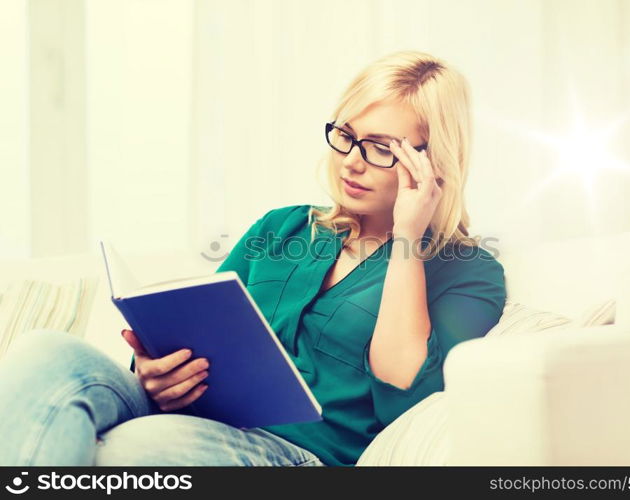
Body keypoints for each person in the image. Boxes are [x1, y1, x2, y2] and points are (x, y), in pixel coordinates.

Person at [0, 50, 506, 467]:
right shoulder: (281, 227)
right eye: (347, 136)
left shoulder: (468, 271)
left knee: (137, 447)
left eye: (380, 148)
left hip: (297, 453)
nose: (351, 159)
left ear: (433, 161)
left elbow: (404, 392)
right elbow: (194, 325)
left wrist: (406, 239)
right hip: (194, 411)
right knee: (43, 352)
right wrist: (153, 369)